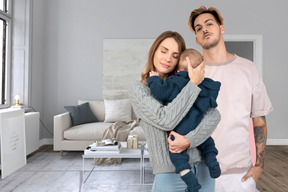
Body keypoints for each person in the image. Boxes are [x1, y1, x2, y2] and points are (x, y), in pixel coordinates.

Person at [187, 6, 273, 191]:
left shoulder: (248, 68)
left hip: (239, 173)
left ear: (221, 28)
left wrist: (259, 165)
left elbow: (259, 120)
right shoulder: (192, 74)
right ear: (196, 38)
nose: (205, 29)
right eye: (199, 28)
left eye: (209, 24)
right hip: (201, 170)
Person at [129, 30, 221, 192]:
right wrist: (193, 85)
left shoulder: (188, 84)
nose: (168, 59)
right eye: (164, 51)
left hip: (204, 170)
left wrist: (189, 140)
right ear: (154, 51)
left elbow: (214, 115)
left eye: (175, 55)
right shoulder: (139, 89)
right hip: (169, 175)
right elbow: (166, 120)